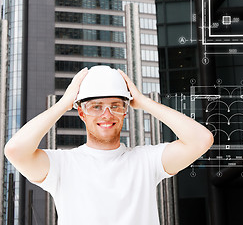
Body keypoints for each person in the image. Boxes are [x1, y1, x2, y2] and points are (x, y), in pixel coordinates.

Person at [4, 65, 213, 225]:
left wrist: (143, 101)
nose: (107, 114)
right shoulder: (63, 165)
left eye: (115, 105)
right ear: (81, 113)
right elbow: (15, 150)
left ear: (126, 110)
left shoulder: (146, 161)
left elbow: (201, 140)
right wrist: (63, 103)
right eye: (96, 107)